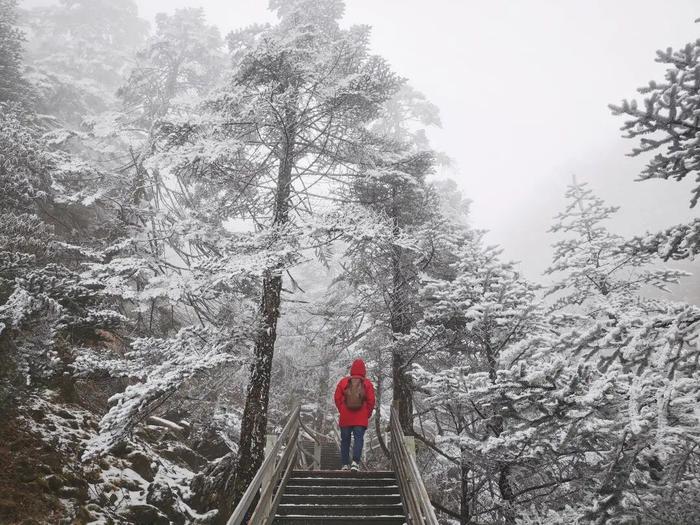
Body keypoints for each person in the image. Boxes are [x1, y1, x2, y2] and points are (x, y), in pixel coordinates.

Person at [333, 358, 376, 471]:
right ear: (364, 370)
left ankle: (344, 464)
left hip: (346, 417)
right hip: (360, 417)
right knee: (358, 439)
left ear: (352, 369)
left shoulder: (343, 382)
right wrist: (367, 413)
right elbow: (371, 401)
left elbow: (337, 398)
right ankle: (355, 463)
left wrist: (342, 409)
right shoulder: (367, 383)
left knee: (345, 440)